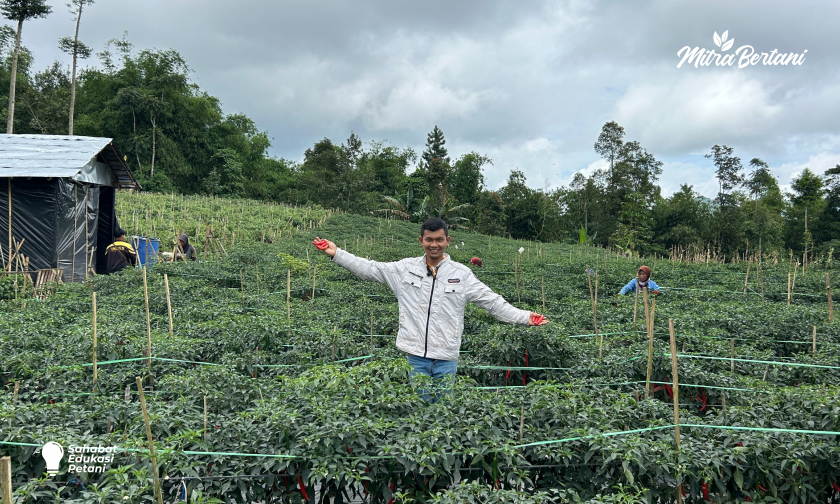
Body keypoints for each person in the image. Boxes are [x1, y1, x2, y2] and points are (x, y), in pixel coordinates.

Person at [313, 217, 548, 402]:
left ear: (447, 240)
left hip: (446, 357)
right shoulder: (405, 269)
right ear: (421, 241)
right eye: (429, 240)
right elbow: (370, 269)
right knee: (420, 410)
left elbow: (493, 303)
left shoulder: (461, 274)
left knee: (442, 412)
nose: (433, 244)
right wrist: (337, 254)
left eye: (438, 239)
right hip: (415, 357)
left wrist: (525, 317)